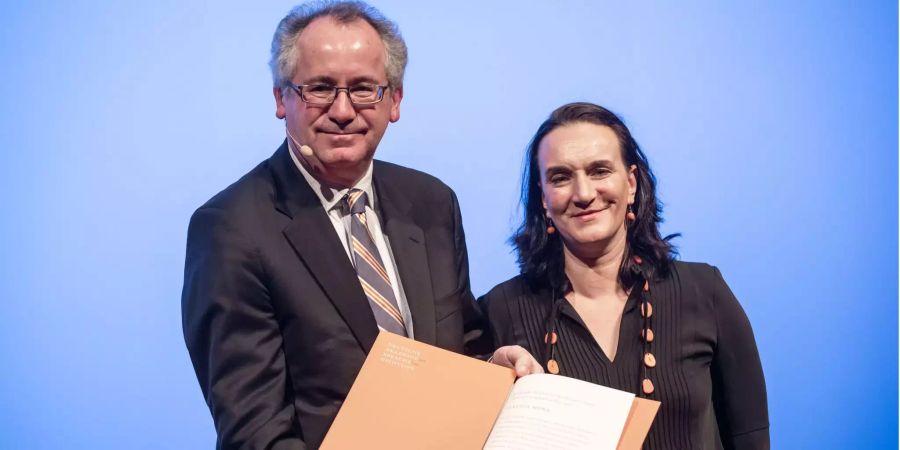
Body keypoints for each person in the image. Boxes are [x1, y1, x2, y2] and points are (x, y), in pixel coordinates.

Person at [181, 2, 492, 448]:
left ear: (395, 100)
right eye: (321, 89)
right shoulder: (231, 229)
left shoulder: (432, 202)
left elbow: (463, 345)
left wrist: (496, 370)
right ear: (280, 98)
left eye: (364, 89)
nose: (343, 110)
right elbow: (255, 433)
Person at [482, 102, 770, 449]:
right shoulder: (501, 309)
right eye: (560, 178)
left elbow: (750, 438)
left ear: (631, 183)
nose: (584, 194)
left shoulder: (704, 292)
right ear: (543, 197)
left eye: (600, 171)